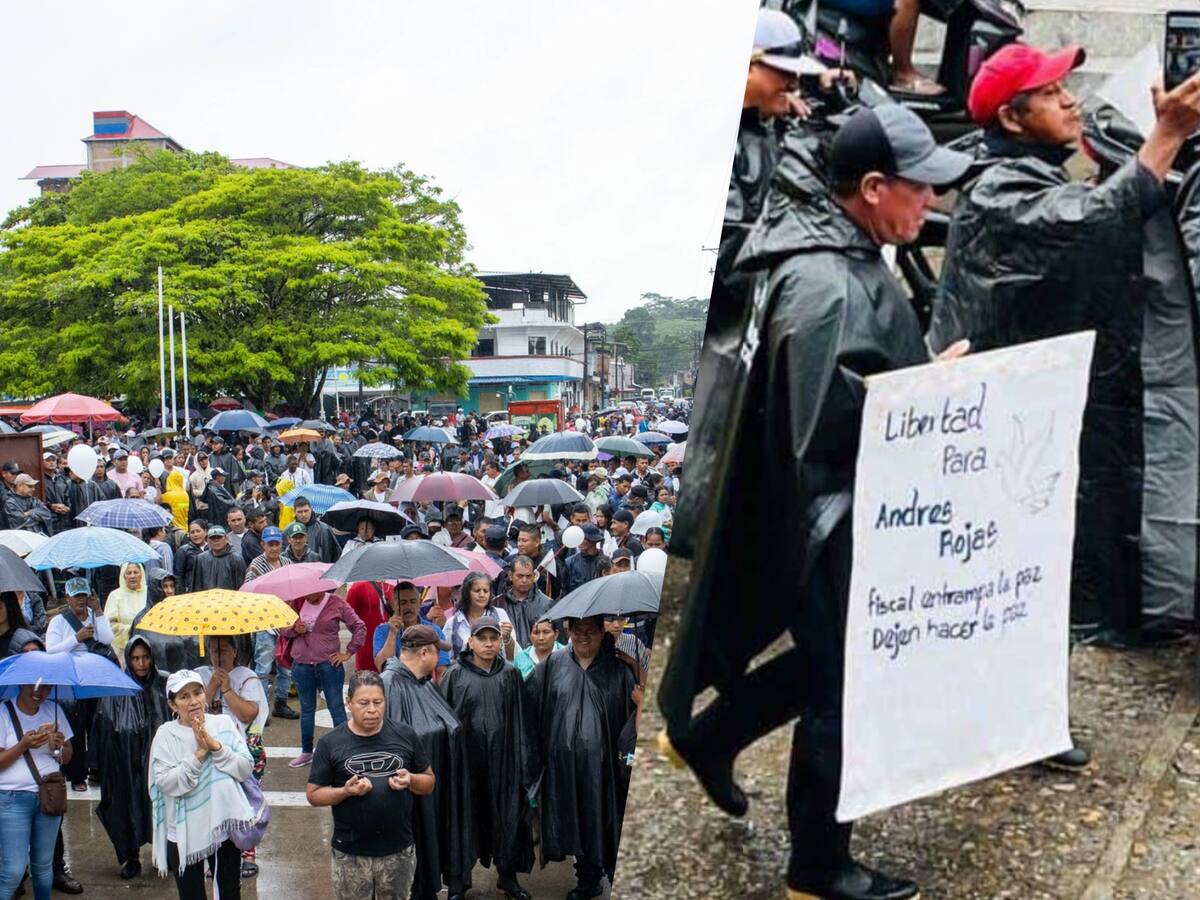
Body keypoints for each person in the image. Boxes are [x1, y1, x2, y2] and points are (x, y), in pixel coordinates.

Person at [658, 104, 971, 900]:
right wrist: (924, 391)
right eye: (919, 189)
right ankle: (818, 865)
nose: (930, 204)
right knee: (842, 687)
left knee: (830, 666)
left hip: (819, 513)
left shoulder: (845, 251)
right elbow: (819, 429)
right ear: (871, 189)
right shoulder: (826, 282)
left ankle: (711, 736)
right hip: (824, 520)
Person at [931, 47, 1200, 650]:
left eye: (1066, 86)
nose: (1071, 98)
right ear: (1010, 118)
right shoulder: (999, 187)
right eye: (1051, 92)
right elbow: (1091, 221)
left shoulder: (1028, 171)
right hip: (991, 417)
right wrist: (1167, 135)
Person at [527, 615, 636, 898]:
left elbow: (633, 722)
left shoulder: (620, 671)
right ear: (568, 630)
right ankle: (587, 881)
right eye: (578, 631)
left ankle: (614, 876)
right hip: (565, 768)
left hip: (607, 771)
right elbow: (529, 709)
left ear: (603, 632)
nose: (584, 637)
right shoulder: (552, 666)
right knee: (577, 822)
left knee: (607, 823)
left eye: (591, 631)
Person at [306, 670, 434, 900]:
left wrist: (411, 780)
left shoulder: (405, 735)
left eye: (378, 702)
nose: (372, 710)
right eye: (363, 703)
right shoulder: (330, 743)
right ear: (349, 702)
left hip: (398, 851)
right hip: (351, 854)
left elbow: (429, 782)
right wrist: (345, 791)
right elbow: (314, 795)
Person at [440, 617, 535, 900]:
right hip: (467, 766)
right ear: (471, 641)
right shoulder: (455, 675)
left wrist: (523, 762)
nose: (489, 643)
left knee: (507, 818)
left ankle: (508, 879)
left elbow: (521, 720)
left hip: (503, 763)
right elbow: (444, 721)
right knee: (464, 819)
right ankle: (458, 884)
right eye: (482, 638)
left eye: (494, 638)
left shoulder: (509, 674)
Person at [379, 626, 474, 900]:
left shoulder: (424, 683)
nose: (441, 660)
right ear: (424, 653)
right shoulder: (390, 683)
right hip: (410, 795)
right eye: (437, 653)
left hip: (434, 788)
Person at [149, 670, 254, 899]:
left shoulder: (223, 724)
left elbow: (245, 768)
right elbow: (165, 783)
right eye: (184, 696)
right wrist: (198, 755)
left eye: (197, 692)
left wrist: (216, 747)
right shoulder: (166, 735)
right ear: (173, 705)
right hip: (184, 835)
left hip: (222, 831)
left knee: (229, 893)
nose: (193, 701)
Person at [91, 636, 170, 880]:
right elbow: (102, 725)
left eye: (145, 657)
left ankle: (163, 853)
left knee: (160, 807)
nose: (141, 663)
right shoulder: (117, 690)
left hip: (158, 763)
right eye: (135, 658)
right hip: (125, 761)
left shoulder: (164, 684)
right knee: (126, 806)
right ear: (128, 660)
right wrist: (96, 765)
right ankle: (130, 856)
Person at [198, 635, 270, 878]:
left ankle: (247, 854)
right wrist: (211, 686)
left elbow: (250, 713)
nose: (219, 655)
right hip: (209, 751)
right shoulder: (200, 675)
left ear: (234, 651)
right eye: (214, 650)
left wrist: (227, 688)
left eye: (225, 650)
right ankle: (214, 852)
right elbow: (194, 710)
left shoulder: (246, 677)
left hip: (241, 751)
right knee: (214, 802)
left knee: (243, 801)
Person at [0, 678, 73, 900]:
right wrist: (24, 745)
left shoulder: (55, 709)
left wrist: (59, 746)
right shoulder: (3, 712)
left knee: (43, 867)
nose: (39, 692)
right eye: (34, 685)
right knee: (13, 871)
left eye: (47, 687)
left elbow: (67, 757)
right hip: (12, 798)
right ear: (21, 683)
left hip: (48, 794)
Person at [279, 590, 366, 768]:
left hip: (329, 666)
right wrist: (294, 629)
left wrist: (348, 652)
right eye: (307, 591)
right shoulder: (297, 601)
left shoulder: (336, 603)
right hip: (302, 666)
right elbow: (282, 630)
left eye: (313, 592)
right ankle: (306, 752)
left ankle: (345, 751)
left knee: (336, 708)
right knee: (307, 709)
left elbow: (359, 626)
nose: (309, 595)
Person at [372, 581, 450, 676]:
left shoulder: (434, 630)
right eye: (403, 602)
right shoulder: (383, 630)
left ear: (420, 603)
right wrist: (392, 633)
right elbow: (382, 666)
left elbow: (442, 669)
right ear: (393, 605)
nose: (408, 607)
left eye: (413, 601)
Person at [442, 572, 515, 663]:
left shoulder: (500, 615)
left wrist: (507, 638)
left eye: (486, 591)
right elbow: (445, 658)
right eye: (477, 591)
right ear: (467, 593)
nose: (482, 595)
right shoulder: (453, 623)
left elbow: (512, 657)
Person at [495, 554, 552, 648]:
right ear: (510, 575)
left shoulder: (547, 603)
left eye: (528, 576)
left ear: (534, 576)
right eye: (520, 576)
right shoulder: (497, 603)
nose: (524, 580)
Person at [103, 562, 147, 658]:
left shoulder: (149, 593)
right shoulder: (115, 595)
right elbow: (109, 624)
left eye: (135, 572)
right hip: (123, 649)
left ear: (141, 575)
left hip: (147, 646)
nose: (132, 576)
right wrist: (130, 629)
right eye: (129, 573)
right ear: (124, 576)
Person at [191, 525, 248, 592]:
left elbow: (241, 586)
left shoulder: (237, 559)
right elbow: (197, 586)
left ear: (226, 539)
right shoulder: (200, 559)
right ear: (208, 541)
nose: (216, 540)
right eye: (213, 538)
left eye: (219, 537)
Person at [513, 615, 565, 679]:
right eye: (536, 633)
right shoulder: (520, 658)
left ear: (556, 634)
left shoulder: (567, 654)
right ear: (530, 635)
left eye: (546, 632)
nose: (541, 638)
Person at [561, 524, 606, 596]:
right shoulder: (570, 562)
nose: (579, 541)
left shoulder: (605, 561)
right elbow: (565, 590)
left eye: (583, 538)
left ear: (593, 540)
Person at [292, 498, 339, 563]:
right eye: (300, 512)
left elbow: (334, 555)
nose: (303, 515)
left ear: (311, 509)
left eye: (306, 511)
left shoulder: (324, 529)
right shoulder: (289, 530)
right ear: (294, 512)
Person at [173, 520, 209, 593]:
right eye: (192, 532)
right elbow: (178, 575)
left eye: (198, 531)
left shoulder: (212, 548)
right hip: (191, 591)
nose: (195, 534)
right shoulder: (183, 550)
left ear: (205, 532)